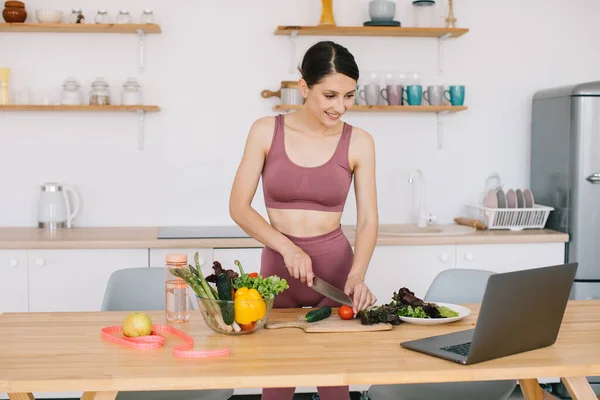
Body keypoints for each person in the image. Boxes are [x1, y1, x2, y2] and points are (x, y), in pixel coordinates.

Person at [229, 40, 379, 400]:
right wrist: (287, 248)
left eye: (349, 96)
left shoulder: (360, 142)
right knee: (276, 385)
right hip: (278, 269)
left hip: (334, 269)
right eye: (329, 95)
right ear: (304, 88)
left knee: (335, 387)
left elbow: (369, 220)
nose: (340, 107)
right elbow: (239, 207)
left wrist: (357, 275)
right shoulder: (266, 131)